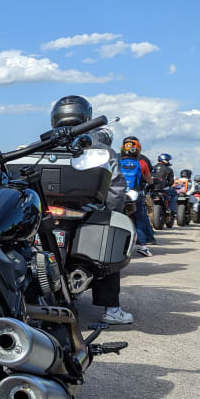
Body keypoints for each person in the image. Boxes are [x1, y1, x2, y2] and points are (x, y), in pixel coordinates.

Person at [51, 96, 134, 324]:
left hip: (47, 212)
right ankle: (111, 309)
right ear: (86, 116)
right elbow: (116, 188)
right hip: (86, 213)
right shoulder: (102, 149)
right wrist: (111, 213)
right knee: (108, 244)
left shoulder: (44, 144)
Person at [120, 136, 155, 256]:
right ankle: (142, 246)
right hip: (134, 194)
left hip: (118, 194)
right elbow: (149, 179)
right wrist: (151, 185)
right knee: (139, 219)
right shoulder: (142, 163)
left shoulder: (117, 161)